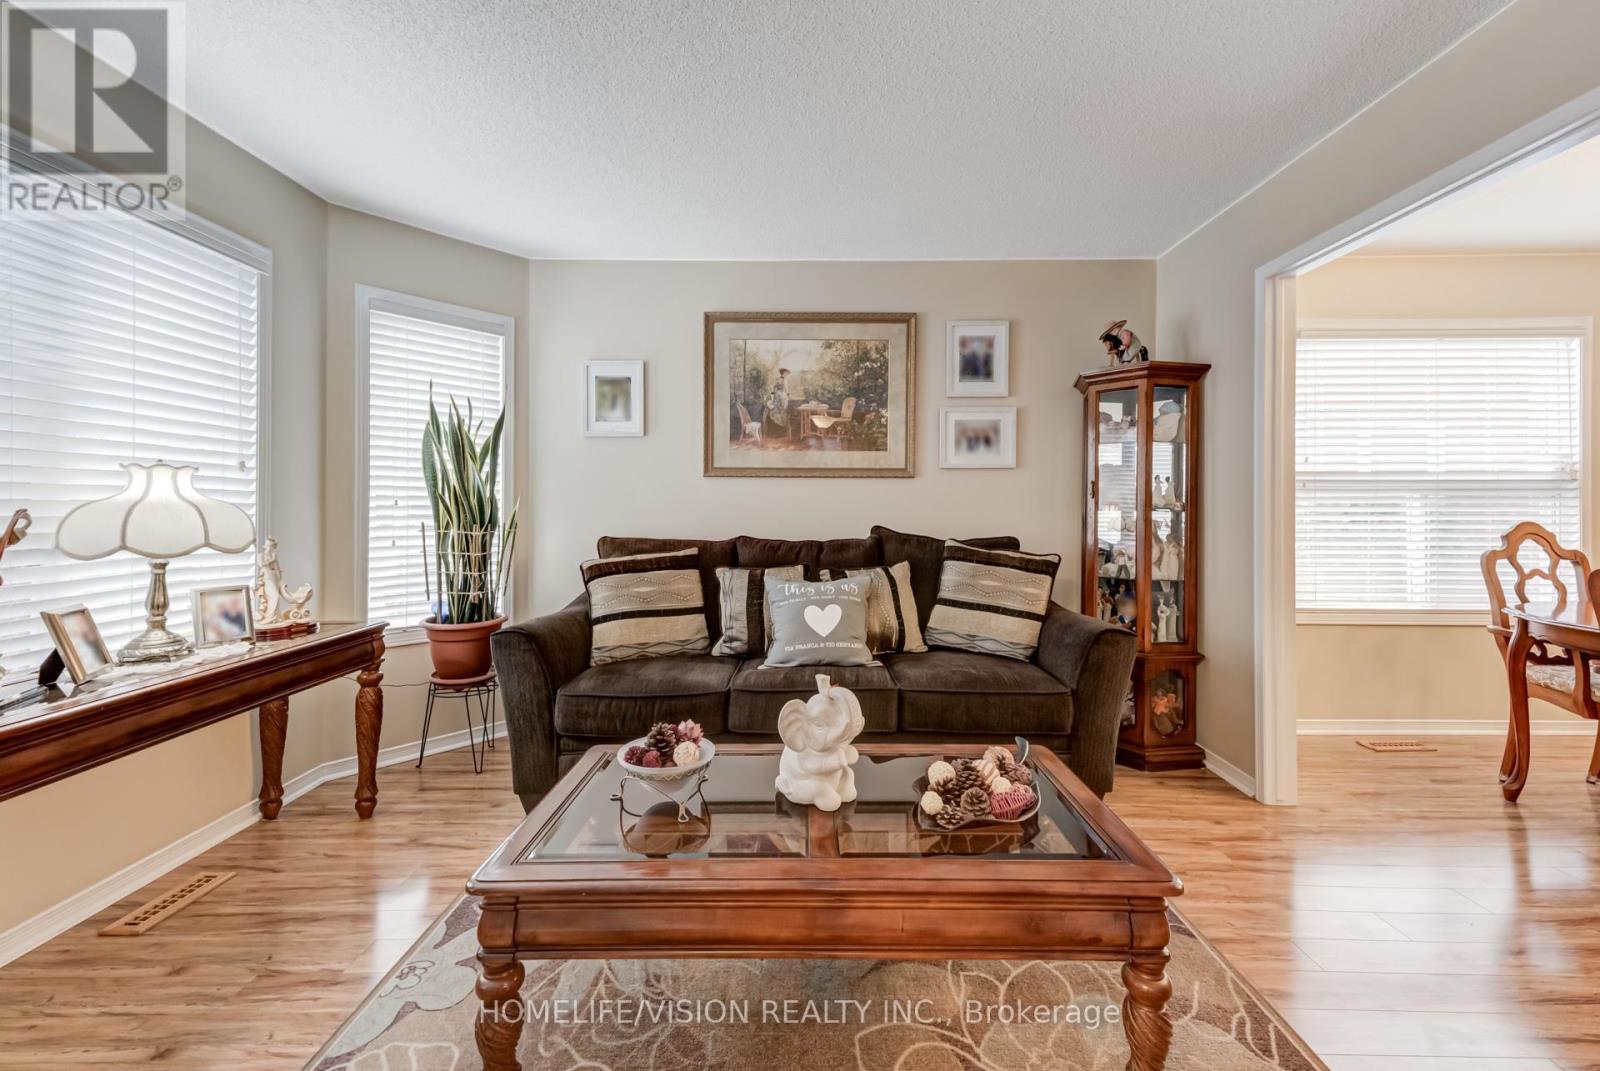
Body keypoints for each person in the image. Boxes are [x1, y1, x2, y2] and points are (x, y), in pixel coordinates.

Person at [765, 367, 792, 437]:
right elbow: (786, 390)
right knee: (781, 411)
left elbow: (773, 389)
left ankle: (777, 432)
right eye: (786, 373)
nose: (787, 374)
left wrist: (774, 395)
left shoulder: (778, 379)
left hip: (778, 396)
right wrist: (787, 396)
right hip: (781, 397)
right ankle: (779, 433)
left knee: (778, 412)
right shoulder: (784, 380)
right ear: (783, 373)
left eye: (787, 373)